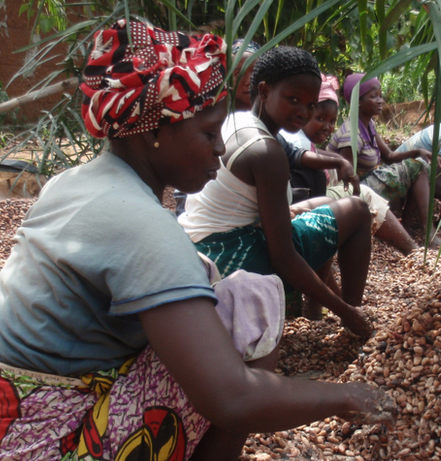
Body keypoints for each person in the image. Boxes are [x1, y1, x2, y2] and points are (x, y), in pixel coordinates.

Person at [0, 20, 394, 461]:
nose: (219, 151)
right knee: (254, 301)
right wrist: (347, 397)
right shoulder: (140, 225)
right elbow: (233, 400)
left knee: (215, 292)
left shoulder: (79, 182)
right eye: (208, 135)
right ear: (152, 132)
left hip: (3, 451)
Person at [179, 46, 374, 336]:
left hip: (195, 246)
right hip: (229, 258)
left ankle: (314, 308)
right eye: (293, 99)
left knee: (318, 209)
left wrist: (338, 161)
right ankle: (351, 321)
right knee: (356, 211)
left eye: (310, 105)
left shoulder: (240, 119)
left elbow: (296, 156)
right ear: (265, 90)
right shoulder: (265, 151)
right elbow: (283, 256)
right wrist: (347, 313)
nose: (303, 112)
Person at [280, 74, 419, 255]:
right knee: (364, 197)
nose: (328, 127)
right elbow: (348, 174)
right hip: (306, 201)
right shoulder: (340, 135)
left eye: (331, 121)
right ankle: (413, 252)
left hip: (316, 194)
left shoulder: (368, 127)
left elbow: (388, 156)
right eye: (320, 118)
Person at [329, 72, 441, 242]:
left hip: (368, 179)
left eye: (380, 96)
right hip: (354, 189)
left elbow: (389, 156)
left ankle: (409, 228)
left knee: (419, 165)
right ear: (358, 101)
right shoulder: (351, 135)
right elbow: (347, 179)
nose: (380, 101)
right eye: (374, 97)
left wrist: (418, 152)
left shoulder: (368, 124)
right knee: (417, 168)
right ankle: (428, 235)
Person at [176, 38, 261, 216]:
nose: (247, 82)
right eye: (239, 74)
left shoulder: (267, 123)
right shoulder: (211, 117)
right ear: (226, 78)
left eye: (254, 75)